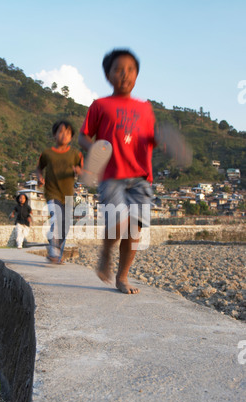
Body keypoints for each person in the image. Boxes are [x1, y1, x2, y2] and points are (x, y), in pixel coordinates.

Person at [78, 48, 156, 294]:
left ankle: (122, 278)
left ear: (137, 75)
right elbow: (83, 136)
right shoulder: (100, 105)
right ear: (108, 75)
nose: (125, 74)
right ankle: (105, 251)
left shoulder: (145, 108)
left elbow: (149, 139)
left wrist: (163, 141)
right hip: (112, 177)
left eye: (131, 70)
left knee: (134, 231)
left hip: (141, 178)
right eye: (118, 70)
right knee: (120, 223)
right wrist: (95, 149)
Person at [37, 120, 83, 264]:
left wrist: (79, 171)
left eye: (68, 133)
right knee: (57, 220)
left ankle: (57, 252)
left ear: (71, 137)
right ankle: (54, 252)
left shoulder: (75, 154)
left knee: (65, 226)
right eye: (61, 132)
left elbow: (83, 171)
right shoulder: (47, 153)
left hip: (68, 195)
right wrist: (39, 177)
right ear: (54, 135)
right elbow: (39, 168)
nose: (64, 135)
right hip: (52, 193)